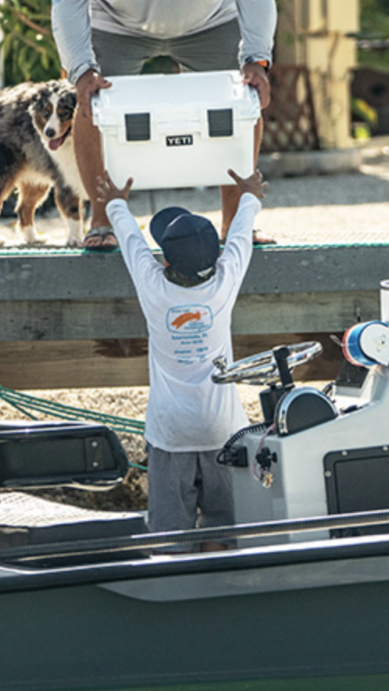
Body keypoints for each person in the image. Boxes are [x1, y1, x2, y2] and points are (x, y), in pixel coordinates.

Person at [52, 0, 277, 250]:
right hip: (115, 22)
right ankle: (103, 222)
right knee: (92, 102)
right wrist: (83, 70)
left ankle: (236, 222)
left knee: (242, 98)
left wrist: (257, 60)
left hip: (212, 19)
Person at [98, 165, 267, 551]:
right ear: (215, 257)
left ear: (167, 264)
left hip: (170, 433)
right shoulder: (224, 284)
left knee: (169, 537)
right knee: (226, 530)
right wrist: (250, 194)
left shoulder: (154, 289)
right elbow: (241, 238)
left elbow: (131, 244)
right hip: (222, 430)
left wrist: (116, 205)